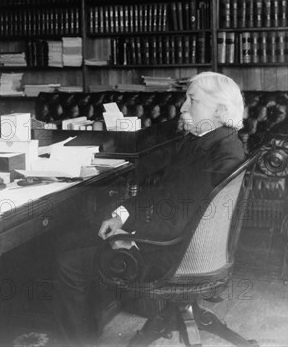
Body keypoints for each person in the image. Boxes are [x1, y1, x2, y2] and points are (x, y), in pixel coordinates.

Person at [53, 72, 246, 346]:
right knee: (69, 240)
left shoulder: (217, 151)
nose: (183, 107)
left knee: (69, 263)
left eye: (193, 100)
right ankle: (88, 331)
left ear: (221, 110)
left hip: (174, 253)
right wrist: (122, 215)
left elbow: (180, 220)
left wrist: (127, 238)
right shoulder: (211, 141)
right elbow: (163, 194)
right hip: (173, 241)